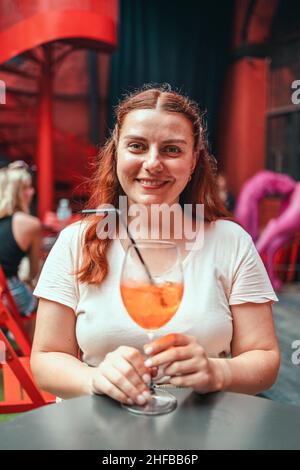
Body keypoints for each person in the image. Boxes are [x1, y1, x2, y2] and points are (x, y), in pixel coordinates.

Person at [31, 85, 280, 407]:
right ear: (116, 153)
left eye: (172, 150)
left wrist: (219, 372)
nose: (152, 163)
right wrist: (93, 379)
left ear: (193, 161)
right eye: (136, 146)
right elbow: (46, 357)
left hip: (206, 432)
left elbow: (265, 358)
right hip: (94, 432)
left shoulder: (231, 242)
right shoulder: (75, 242)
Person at [0, 161, 41, 336]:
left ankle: (5, 354)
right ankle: (32, 353)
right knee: (41, 304)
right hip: (7, 291)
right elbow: (33, 273)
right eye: (27, 188)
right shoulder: (29, 224)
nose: (32, 192)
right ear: (16, 192)